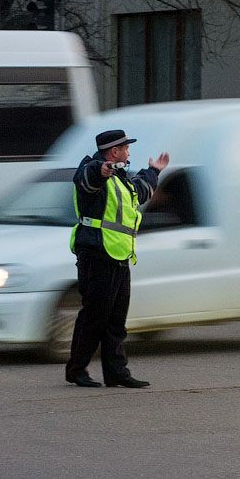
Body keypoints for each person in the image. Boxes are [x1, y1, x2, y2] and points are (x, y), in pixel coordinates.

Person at [65, 129, 169, 389]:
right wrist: (101, 170)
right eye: (126, 148)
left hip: (119, 254)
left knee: (115, 321)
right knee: (93, 317)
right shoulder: (92, 169)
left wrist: (154, 171)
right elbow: (87, 179)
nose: (129, 152)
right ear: (114, 151)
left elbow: (140, 191)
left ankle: (116, 373)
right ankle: (77, 370)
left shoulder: (121, 179)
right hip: (97, 253)